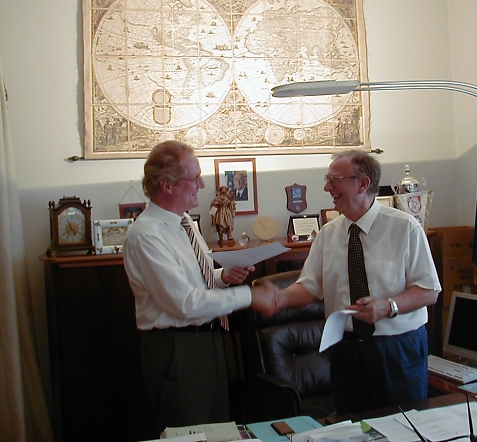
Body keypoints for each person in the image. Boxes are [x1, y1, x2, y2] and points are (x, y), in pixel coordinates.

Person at [256, 150, 441, 414]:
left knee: (403, 426)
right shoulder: (327, 234)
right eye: (327, 179)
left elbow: (428, 291)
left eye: (334, 180)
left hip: (397, 348)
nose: (327, 187)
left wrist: (388, 306)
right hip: (345, 350)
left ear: (363, 183)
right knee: (352, 427)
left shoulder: (405, 228)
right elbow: (310, 286)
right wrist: (279, 298)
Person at [123, 140, 276, 434]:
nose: (202, 185)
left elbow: (192, 279)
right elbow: (184, 303)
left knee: (217, 433)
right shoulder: (146, 235)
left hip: (208, 342)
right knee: (188, 435)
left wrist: (222, 277)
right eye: (194, 178)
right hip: (177, 347)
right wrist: (250, 296)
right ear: (167, 185)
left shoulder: (185, 223)